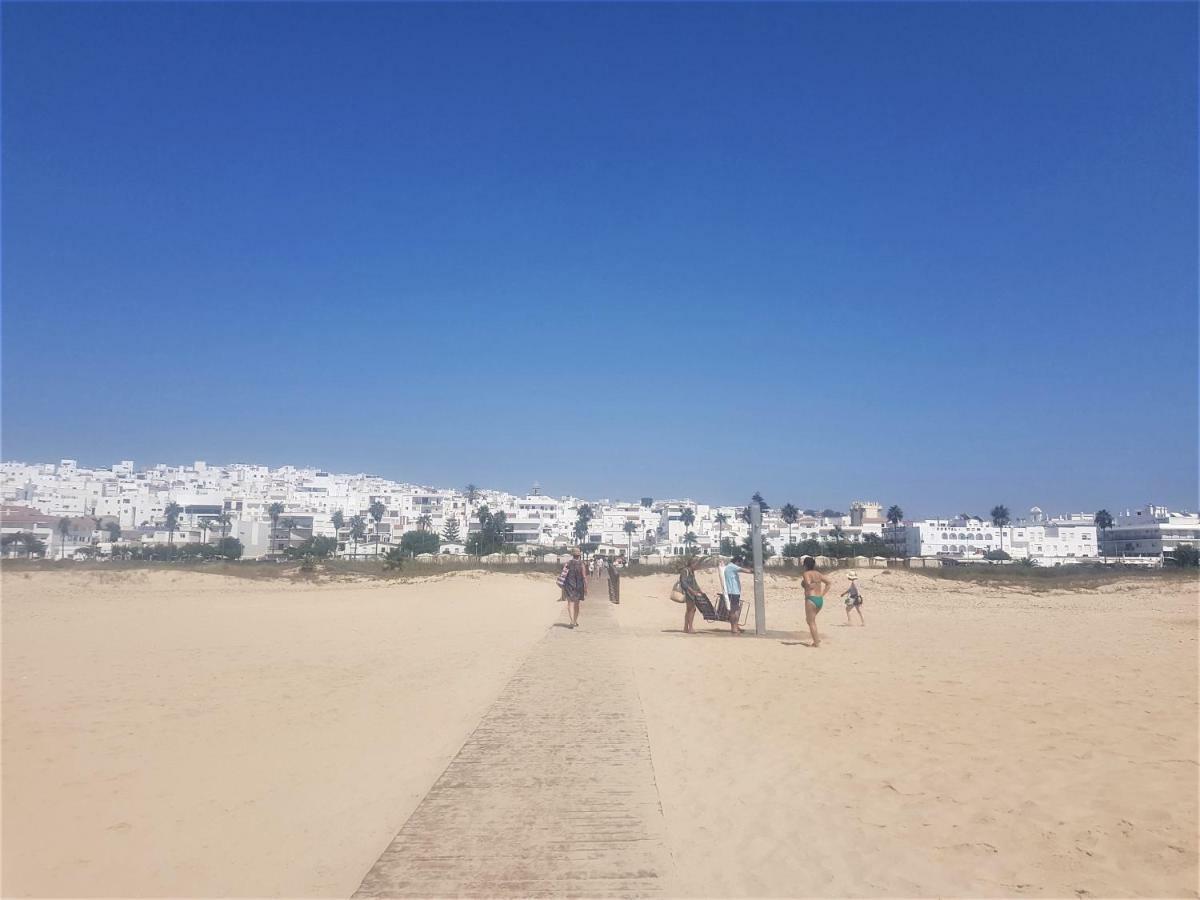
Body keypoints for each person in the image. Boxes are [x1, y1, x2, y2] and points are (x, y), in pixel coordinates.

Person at [800, 556, 831, 647]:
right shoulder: (818, 573)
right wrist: (822, 594)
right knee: (810, 620)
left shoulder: (806, 574)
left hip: (811, 599)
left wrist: (804, 584)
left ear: (805, 565)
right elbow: (829, 583)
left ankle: (816, 643)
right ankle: (816, 639)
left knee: (811, 622)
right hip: (819, 599)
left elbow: (809, 584)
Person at [721, 554, 754, 634]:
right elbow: (746, 571)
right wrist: (755, 570)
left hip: (734, 592)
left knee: (736, 610)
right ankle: (733, 628)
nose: (741, 564)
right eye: (740, 563)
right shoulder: (732, 566)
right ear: (737, 562)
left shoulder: (730, 567)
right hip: (733, 592)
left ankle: (736, 626)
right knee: (733, 610)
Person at [679, 555, 705, 633]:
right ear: (692, 564)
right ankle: (690, 628)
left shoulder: (691, 571)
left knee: (689, 609)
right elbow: (684, 582)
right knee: (692, 609)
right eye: (697, 564)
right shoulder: (685, 571)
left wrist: (699, 590)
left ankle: (686, 628)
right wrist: (692, 591)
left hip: (691, 592)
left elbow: (694, 582)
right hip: (688, 593)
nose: (698, 566)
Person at [562, 547, 587, 628]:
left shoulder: (567, 563)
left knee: (570, 603)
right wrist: (586, 587)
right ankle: (575, 621)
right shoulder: (582, 564)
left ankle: (572, 620)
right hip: (579, 586)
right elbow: (584, 577)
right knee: (577, 604)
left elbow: (563, 575)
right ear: (579, 555)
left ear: (572, 554)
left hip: (569, 585)